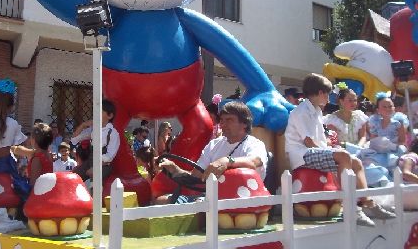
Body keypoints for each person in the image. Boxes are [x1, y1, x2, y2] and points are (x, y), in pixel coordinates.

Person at [284, 73, 395, 227]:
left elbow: (318, 141)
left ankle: (368, 202)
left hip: (313, 152)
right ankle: (350, 207)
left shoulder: (316, 111)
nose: (328, 98)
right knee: (343, 156)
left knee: (356, 162)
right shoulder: (301, 111)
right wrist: (332, 152)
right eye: (327, 94)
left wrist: (331, 149)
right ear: (321, 92)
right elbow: (308, 142)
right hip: (302, 155)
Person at [157, 101, 268, 204]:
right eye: (222, 121)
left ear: (244, 123)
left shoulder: (254, 144)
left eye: (229, 120)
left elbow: (255, 161)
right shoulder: (214, 144)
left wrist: (227, 161)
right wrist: (175, 169)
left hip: (243, 201)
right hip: (211, 198)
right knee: (160, 201)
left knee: (200, 205)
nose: (223, 125)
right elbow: (196, 176)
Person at [0, 78, 29, 199]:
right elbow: (21, 145)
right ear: (12, 106)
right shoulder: (14, 124)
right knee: (15, 191)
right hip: (7, 166)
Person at [70, 99, 120, 182]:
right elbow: (75, 139)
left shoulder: (112, 133)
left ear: (110, 116)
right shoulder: (94, 129)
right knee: (74, 177)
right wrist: (83, 125)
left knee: (95, 181)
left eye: (100, 111)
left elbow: (109, 156)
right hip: (90, 162)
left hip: (103, 165)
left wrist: (95, 168)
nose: (96, 114)